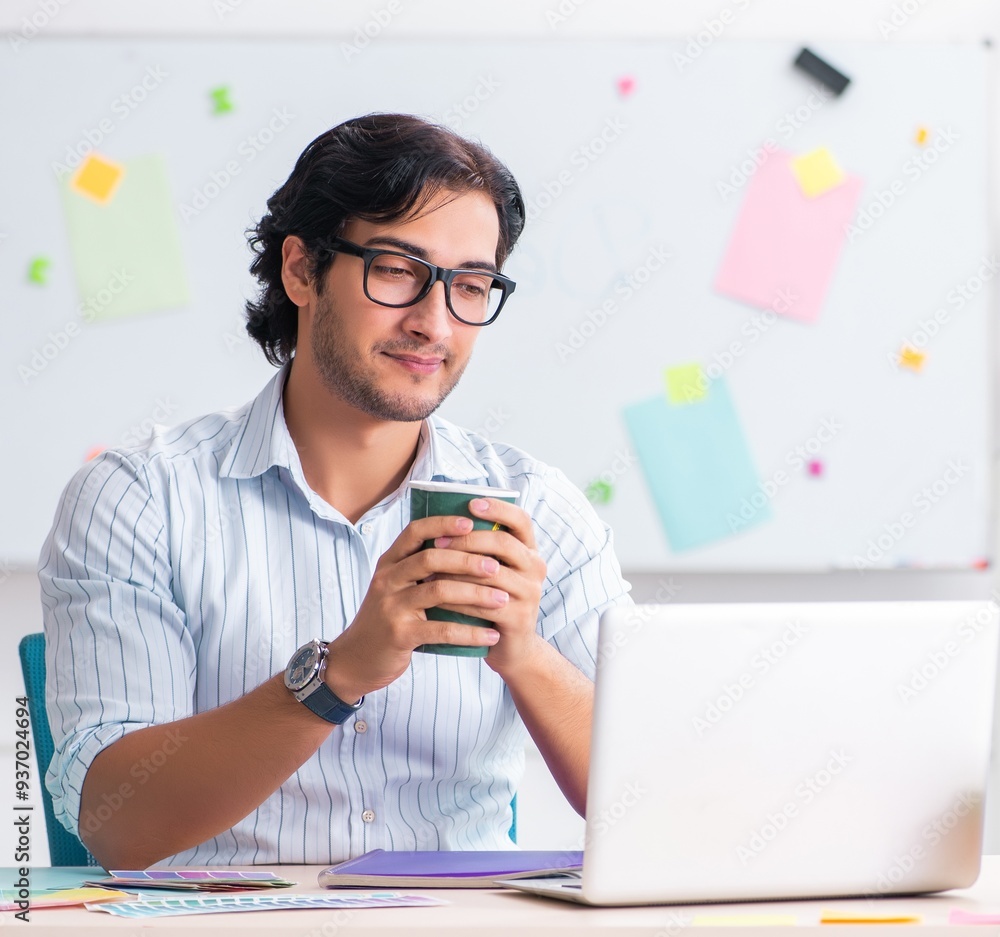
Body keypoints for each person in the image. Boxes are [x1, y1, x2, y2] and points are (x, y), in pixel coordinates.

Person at [39, 113, 631, 869]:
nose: (434, 322)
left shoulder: (537, 509)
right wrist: (339, 672)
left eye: (470, 285)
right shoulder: (140, 499)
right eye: (394, 269)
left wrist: (527, 654)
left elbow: (659, 796)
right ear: (300, 271)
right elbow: (118, 825)